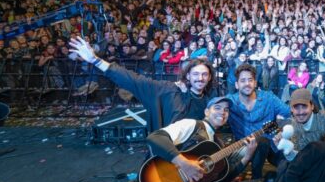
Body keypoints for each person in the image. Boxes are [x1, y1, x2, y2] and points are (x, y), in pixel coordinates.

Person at [69, 36, 216, 132]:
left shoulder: (210, 99)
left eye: (204, 74)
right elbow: (133, 80)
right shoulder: (168, 90)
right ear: (188, 76)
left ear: (209, 78)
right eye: (196, 74)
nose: (200, 78)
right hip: (166, 157)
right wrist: (95, 60)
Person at [226, 63, 291, 181]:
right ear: (236, 84)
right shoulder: (230, 101)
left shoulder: (268, 98)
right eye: (243, 80)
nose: (247, 83)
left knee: (288, 166)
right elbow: (214, 108)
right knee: (261, 142)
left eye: (250, 80)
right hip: (243, 147)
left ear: (255, 83)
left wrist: (282, 128)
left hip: (271, 144)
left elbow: (289, 112)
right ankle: (256, 181)